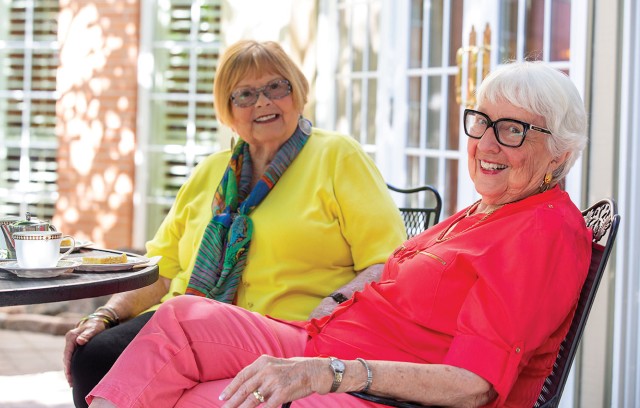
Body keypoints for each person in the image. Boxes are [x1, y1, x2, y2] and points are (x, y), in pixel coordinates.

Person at [86, 60, 592, 408]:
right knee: (181, 318)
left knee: (200, 396)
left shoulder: (540, 232)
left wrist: (334, 372)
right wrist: (345, 299)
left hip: (377, 392)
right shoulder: (490, 211)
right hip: (326, 345)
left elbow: (474, 385)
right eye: (482, 122)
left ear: (561, 153)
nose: (486, 143)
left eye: (513, 130)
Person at [64, 40, 406, 407]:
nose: (263, 102)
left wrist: (335, 302)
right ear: (227, 110)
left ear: (299, 92)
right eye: (245, 94)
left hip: (288, 330)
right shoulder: (210, 171)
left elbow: (388, 261)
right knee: (93, 355)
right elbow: (160, 269)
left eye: (276, 86)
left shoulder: (337, 156)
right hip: (187, 322)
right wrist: (106, 314)